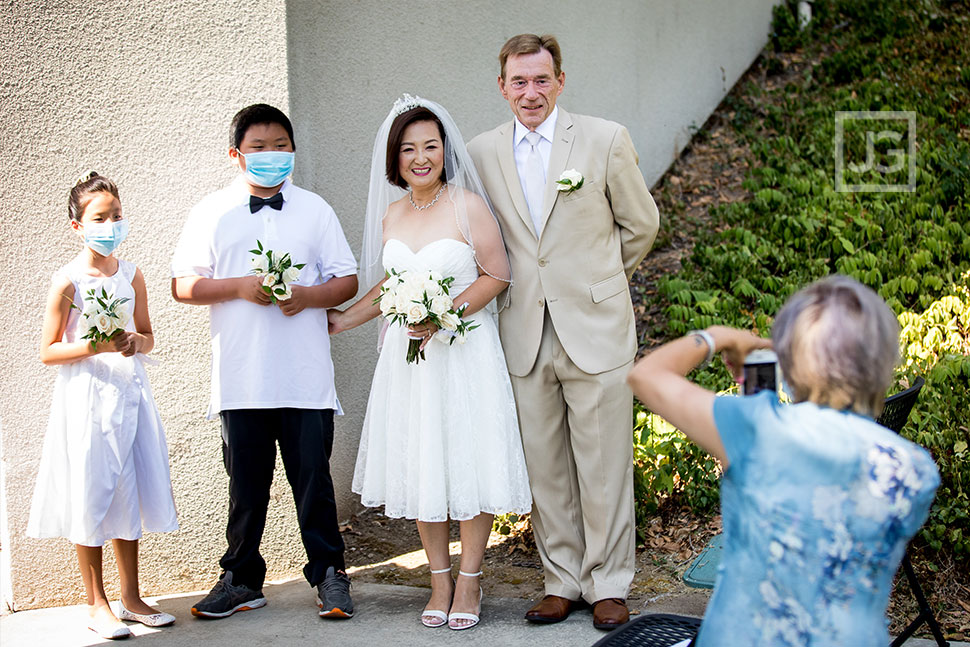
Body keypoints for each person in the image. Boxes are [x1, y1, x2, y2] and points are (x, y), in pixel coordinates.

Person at [628, 275, 940, 647]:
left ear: (792, 359)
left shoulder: (754, 429)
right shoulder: (917, 469)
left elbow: (646, 375)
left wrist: (715, 337)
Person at [467, 34, 660, 630]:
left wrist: (597, 281)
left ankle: (609, 584)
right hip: (523, 329)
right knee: (545, 466)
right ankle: (562, 581)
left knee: (603, 463)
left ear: (560, 80)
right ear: (502, 86)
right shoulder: (479, 153)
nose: (530, 92)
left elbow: (641, 224)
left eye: (541, 80)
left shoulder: (604, 139)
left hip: (595, 327)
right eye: (518, 82)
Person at [328, 95, 531, 631]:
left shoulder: (467, 205)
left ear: (445, 151)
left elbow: (497, 274)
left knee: (467, 457)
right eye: (410, 149)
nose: (421, 157)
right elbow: (390, 287)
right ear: (395, 159)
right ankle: (437, 580)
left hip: (463, 352)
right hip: (408, 359)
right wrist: (342, 320)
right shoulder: (392, 214)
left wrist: (445, 315)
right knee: (424, 460)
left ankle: (469, 579)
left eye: (431, 146)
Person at [171, 104, 358, 620]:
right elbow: (182, 285)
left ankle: (329, 574)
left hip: (305, 379)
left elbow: (347, 280)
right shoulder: (211, 211)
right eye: (259, 147)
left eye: (281, 145)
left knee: (314, 484)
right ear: (236, 155)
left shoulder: (315, 209)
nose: (272, 155)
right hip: (242, 378)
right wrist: (237, 287)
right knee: (245, 488)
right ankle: (241, 578)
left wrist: (306, 296)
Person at [27, 172, 179, 640]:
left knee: (127, 488)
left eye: (116, 215)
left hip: (129, 393)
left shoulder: (132, 275)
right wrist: (93, 347)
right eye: (100, 218)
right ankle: (96, 602)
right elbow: (48, 350)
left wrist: (134, 341)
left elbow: (148, 333)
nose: (110, 224)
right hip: (86, 398)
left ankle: (131, 596)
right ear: (78, 225)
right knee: (92, 490)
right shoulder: (67, 281)